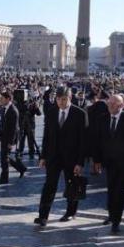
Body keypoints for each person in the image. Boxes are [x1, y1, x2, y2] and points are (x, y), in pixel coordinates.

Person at [34, 87, 88, 227]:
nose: (61, 102)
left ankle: (70, 212)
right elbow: (46, 136)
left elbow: (83, 140)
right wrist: (43, 156)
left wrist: (80, 162)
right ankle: (43, 216)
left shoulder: (80, 114)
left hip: (72, 158)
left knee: (72, 184)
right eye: (58, 99)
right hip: (53, 156)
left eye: (64, 99)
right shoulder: (51, 112)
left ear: (70, 98)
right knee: (49, 185)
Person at [93, 94, 124, 234]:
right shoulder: (102, 119)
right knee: (111, 188)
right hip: (109, 162)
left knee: (119, 190)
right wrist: (97, 160)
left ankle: (116, 221)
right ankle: (111, 215)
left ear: (121, 105)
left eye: (114, 103)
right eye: (109, 103)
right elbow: (97, 141)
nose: (110, 105)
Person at [0, 91, 26, 184]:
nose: (0, 100)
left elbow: (14, 128)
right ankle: (21, 168)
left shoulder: (13, 111)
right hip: (4, 136)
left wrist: (10, 142)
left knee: (4, 159)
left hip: (8, 138)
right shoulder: (5, 108)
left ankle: (4, 178)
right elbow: (3, 123)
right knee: (5, 157)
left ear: (8, 99)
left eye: (2, 98)